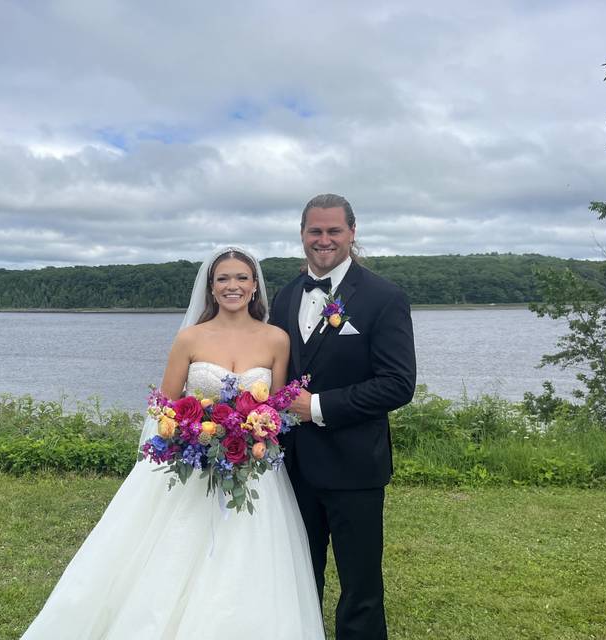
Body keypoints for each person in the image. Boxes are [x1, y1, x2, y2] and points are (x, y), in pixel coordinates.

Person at [21, 247, 325, 640]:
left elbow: (277, 407)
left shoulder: (276, 340)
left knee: (249, 559)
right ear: (211, 289)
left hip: (252, 470)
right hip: (193, 465)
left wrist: (252, 433)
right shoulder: (189, 339)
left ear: (254, 287)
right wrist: (190, 431)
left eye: (241, 278)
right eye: (223, 279)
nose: (232, 286)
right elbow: (164, 406)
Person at [269, 194, 417, 640]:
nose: (324, 239)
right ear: (302, 235)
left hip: (355, 467)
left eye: (334, 230)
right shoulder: (285, 296)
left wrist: (315, 407)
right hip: (292, 468)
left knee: (361, 587)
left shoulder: (384, 297)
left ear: (352, 233)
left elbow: (397, 384)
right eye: (315, 231)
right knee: (297, 577)